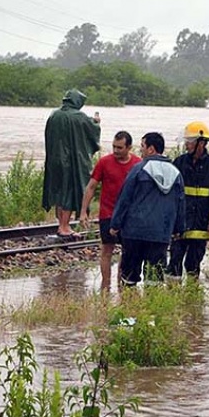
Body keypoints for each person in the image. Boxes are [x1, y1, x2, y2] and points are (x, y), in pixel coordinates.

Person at [109, 132, 185, 286]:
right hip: (160, 234)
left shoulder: (139, 169)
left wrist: (115, 224)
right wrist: (179, 229)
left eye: (142, 146)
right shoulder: (176, 174)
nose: (140, 150)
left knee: (129, 277)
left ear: (151, 149)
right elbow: (180, 204)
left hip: (134, 231)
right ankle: (152, 308)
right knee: (155, 278)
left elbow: (124, 198)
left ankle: (129, 306)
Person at [80, 131, 142, 290]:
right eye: (114, 147)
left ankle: (121, 283)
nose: (115, 151)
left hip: (129, 216)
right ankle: (105, 284)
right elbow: (91, 186)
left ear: (129, 147)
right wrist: (83, 212)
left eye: (120, 148)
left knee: (127, 250)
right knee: (107, 248)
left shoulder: (138, 163)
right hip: (108, 213)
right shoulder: (104, 162)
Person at [168, 121, 209, 278]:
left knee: (192, 264)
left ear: (201, 143)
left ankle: (192, 297)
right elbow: (172, 194)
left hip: (201, 224)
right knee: (174, 262)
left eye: (189, 141)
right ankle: (173, 295)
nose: (186, 145)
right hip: (180, 224)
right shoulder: (179, 163)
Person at [42, 89, 101, 238]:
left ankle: (61, 224)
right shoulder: (79, 117)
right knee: (69, 192)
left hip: (54, 160)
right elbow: (92, 132)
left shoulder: (54, 115)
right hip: (70, 161)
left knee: (58, 191)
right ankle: (64, 226)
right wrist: (96, 123)